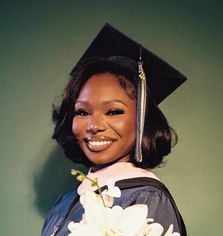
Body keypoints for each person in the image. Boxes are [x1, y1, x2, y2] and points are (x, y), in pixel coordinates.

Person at [41, 24, 187, 236]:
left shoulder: (146, 199)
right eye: (82, 112)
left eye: (113, 111)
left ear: (142, 121)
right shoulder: (65, 202)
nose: (94, 126)